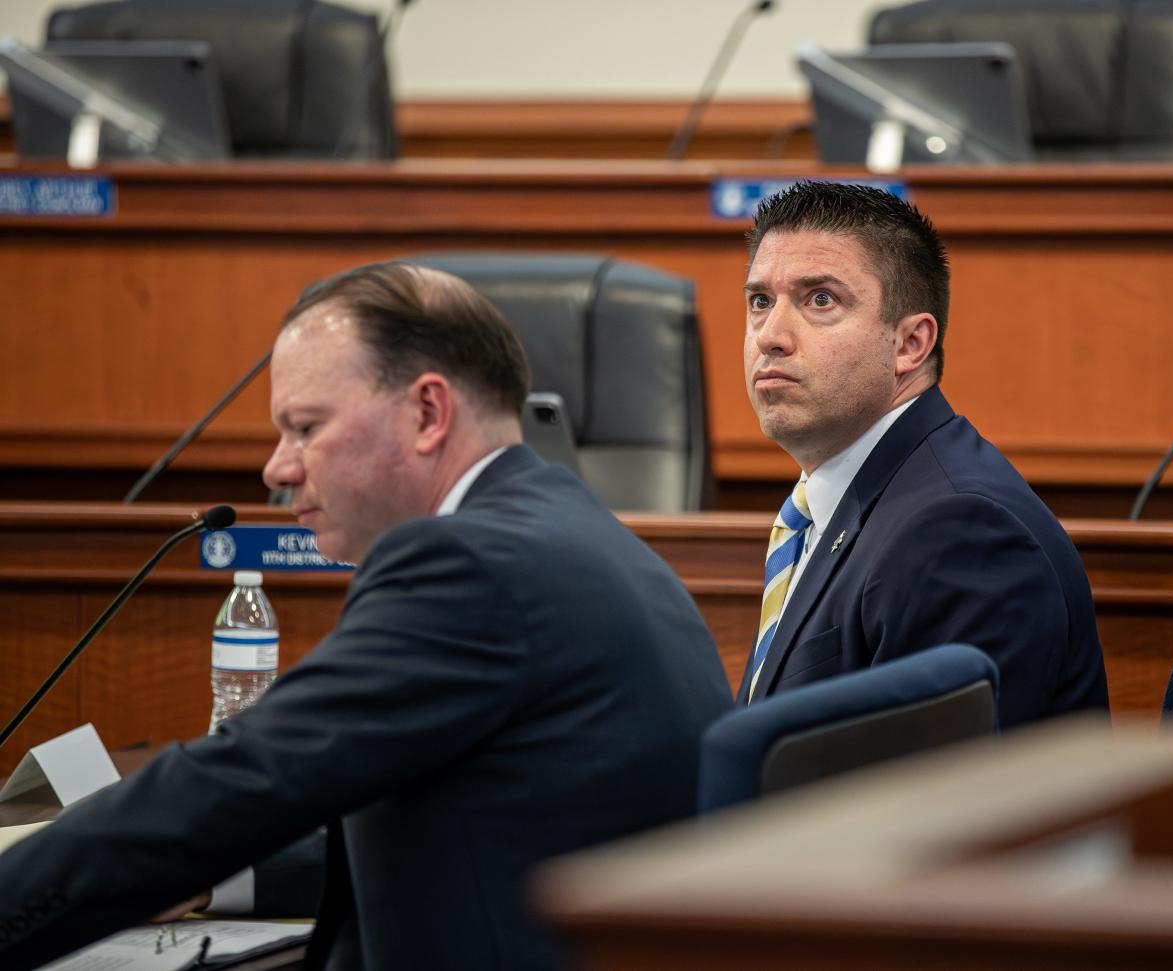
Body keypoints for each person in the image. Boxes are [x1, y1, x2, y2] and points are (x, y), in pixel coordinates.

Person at [0, 261, 733, 970]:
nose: (277, 468)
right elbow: (459, 817)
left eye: (305, 427)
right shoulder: (580, 531)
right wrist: (215, 877)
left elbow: (244, 775)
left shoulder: (467, 562)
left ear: (427, 412)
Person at [738, 180, 1109, 726]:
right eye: (760, 301)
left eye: (821, 299)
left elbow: (941, 801)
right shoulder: (839, 503)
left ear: (911, 344)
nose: (771, 335)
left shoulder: (961, 531)